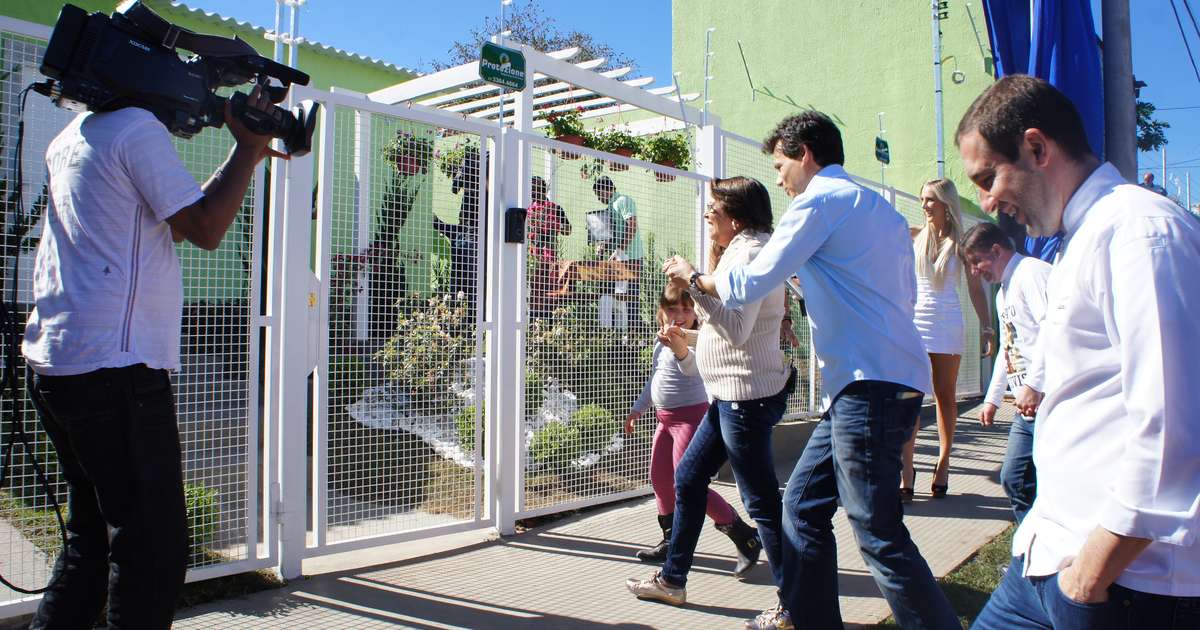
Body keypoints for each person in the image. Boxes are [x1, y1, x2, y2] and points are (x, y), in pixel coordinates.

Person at [669, 112, 958, 630]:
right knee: (800, 508)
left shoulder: (818, 202)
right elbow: (879, 291)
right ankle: (807, 619)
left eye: (781, 165)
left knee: (876, 530)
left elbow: (744, 285)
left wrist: (694, 276)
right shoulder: (879, 210)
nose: (779, 179)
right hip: (878, 382)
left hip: (869, 386)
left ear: (805, 155)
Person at [22, 87, 280, 629]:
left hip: (61, 362)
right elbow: (207, 229)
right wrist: (245, 148)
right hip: (113, 370)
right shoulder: (137, 127)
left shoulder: (76, 134)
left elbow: (183, 219)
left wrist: (250, 152)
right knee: (151, 552)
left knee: (90, 538)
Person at [957, 74, 1200, 629]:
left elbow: (1174, 429)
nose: (987, 202)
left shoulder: (1139, 232)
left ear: (1038, 147)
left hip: (1125, 583)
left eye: (988, 177)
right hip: (1048, 557)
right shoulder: (1081, 239)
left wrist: (1088, 579)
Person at [625, 176, 791, 608]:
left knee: (761, 501)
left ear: (734, 217)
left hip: (745, 398)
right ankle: (673, 580)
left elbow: (736, 330)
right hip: (728, 396)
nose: (706, 215)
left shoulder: (751, 254)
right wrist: (688, 340)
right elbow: (732, 331)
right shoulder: (742, 249)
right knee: (688, 478)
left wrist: (693, 281)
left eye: (713, 208)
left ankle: (795, 602)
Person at [623, 285, 760, 573]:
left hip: (690, 418)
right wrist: (638, 408)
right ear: (662, 311)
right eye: (673, 309)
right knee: (660, 479)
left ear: (696, 314)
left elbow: (691, 369)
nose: (680, 315)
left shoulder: (698, 340)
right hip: (664, 419)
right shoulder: (661, 341)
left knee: (688, 483)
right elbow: (655, 380)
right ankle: (670, 541)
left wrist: (680, 347)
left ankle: (744, 535)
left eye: (687, 310)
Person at [900, 178, 993, 501]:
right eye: (923, 199)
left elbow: (975, 289)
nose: (925, 205)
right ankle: (907, 468)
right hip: (916, 323)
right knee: (909, 397)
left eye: (930, 200)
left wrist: (988, 326)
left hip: (948, 322)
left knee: (945, 396)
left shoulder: (962, 244)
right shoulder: (914, 237)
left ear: (945, 203)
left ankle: (943, 463)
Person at [960, 221, 1050, 524]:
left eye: (976, 261)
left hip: (1050, 402)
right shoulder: (1003, 292)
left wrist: (1036, 384)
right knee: (1013, 478)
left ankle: (1052, 559)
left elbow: (1055, 331)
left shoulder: (1032, 274)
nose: (974, 272)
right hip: (1026, 409)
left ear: (996, 250)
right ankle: (1033, 553)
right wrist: (993, 398)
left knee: (1049, 486)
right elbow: (1008, 347)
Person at [593, 176, 643, 329]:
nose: (598, 198)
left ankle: (633, 337)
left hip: (631, 257)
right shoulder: (609, 208)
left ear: (605, 190)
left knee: (629, 298)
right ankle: (619, 336)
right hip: (619, 256)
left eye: (598, 194)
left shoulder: (623, 200)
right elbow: (615, 233)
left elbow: (632, 227)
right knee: (617, 298)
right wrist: (604, 245)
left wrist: (619, 250)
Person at [526, 175, 570, 316]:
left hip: (550, 257)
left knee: (550, 289)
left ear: (543, 190)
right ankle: (534, 320)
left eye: (535, 188)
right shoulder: (528, 209)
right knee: (534, 289)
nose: (532, 192)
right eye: (531, 188)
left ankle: (549, 321)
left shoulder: (555, 208)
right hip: (533, 257)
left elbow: (568, 229)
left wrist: (555, 227)